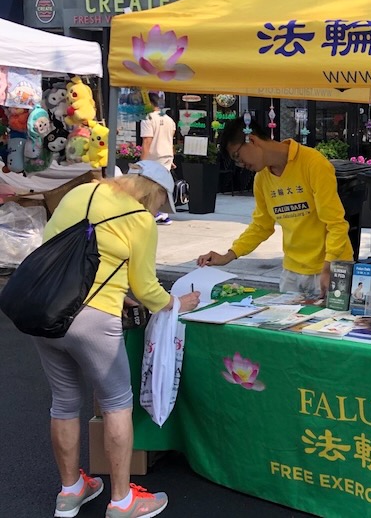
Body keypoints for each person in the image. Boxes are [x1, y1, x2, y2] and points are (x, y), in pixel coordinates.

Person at [32, 160, 200, 518]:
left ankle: (69, 492)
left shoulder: (80, 192)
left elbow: (61, 253)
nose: (158, 210)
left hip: (45, 311)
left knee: (62, 402)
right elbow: (147, 288)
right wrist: (176, 303)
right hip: (94, 323)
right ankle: (123, 500)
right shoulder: (140, 221)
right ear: (154, 193)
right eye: (160, 203)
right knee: (116, 403)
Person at [197, 117, 353, 299]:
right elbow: (261, 226)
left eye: (237, 157)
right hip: (292, 271)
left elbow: (336, 224)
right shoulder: (262, 179)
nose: (241, 165)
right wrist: (228, 255)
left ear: (252, 140)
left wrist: (329, 267)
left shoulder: (313, 163)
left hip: (331, 267)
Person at [139, 91, 176, 225]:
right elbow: (171, 140)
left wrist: (142, 163)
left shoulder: (148, 118)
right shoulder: (169, 119)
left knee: (149, 186)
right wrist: (171, 159)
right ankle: (162, 213)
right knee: (161, 186)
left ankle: (155, 212)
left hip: (153, 157)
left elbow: (147, 141)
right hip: (167, 156)